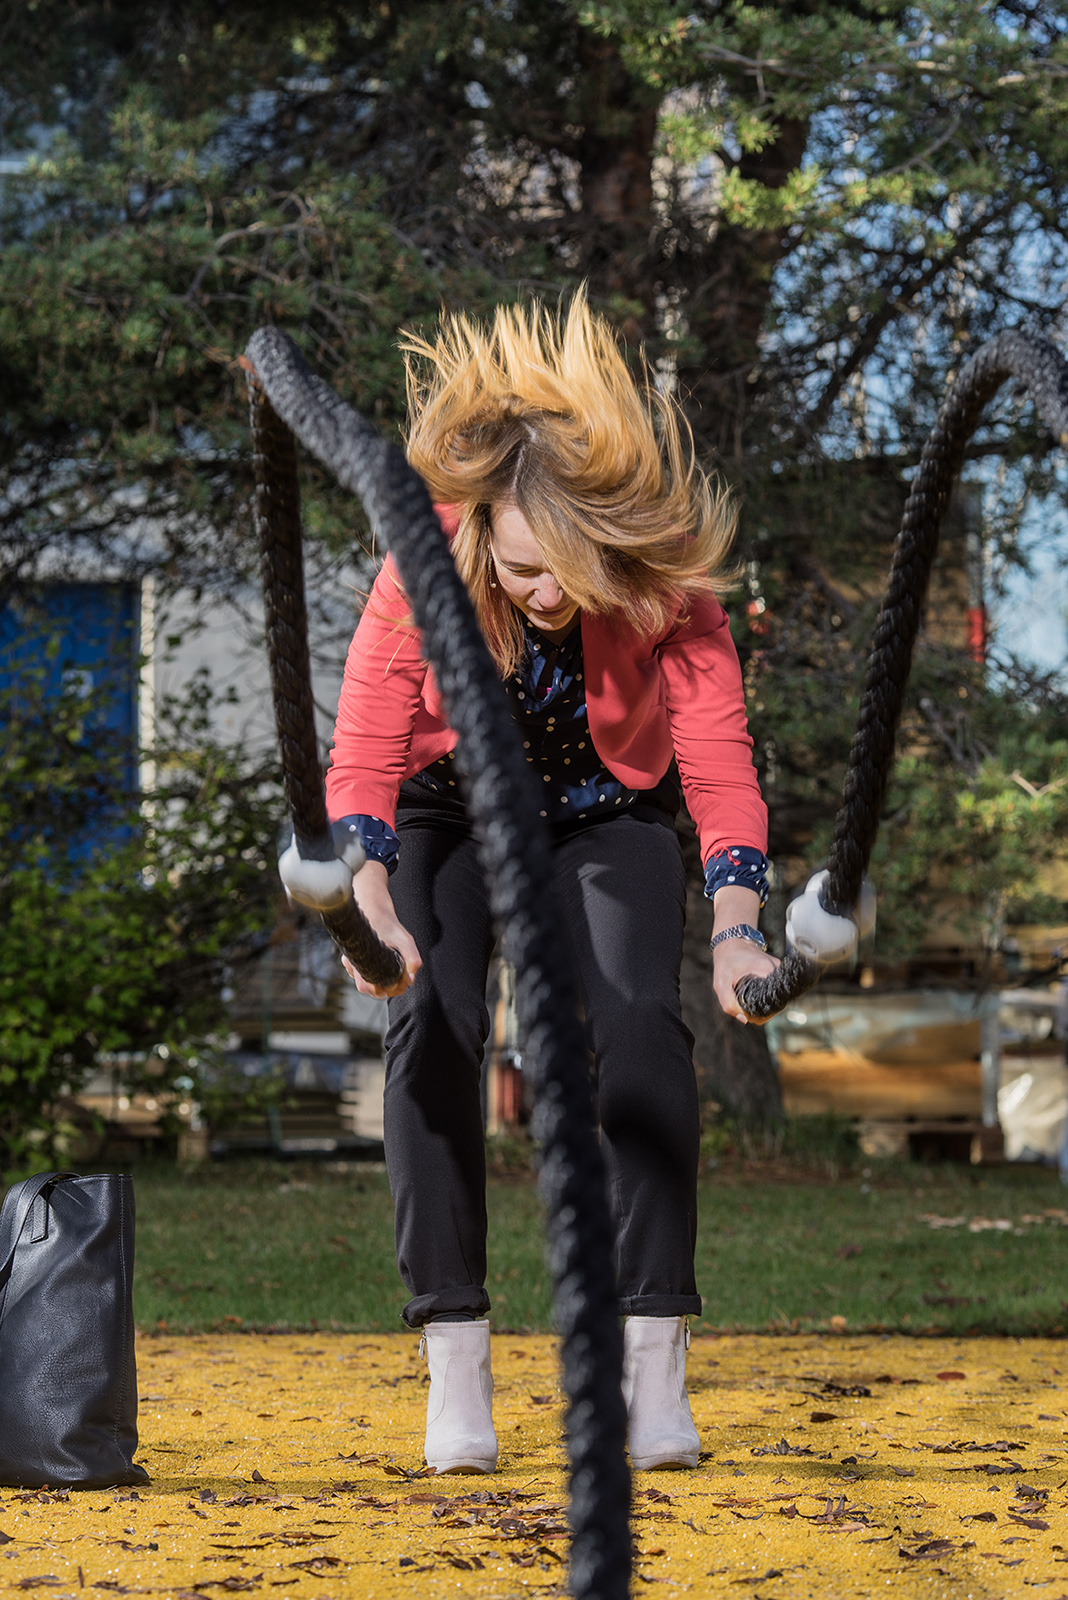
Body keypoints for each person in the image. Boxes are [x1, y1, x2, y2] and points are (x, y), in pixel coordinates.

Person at [325, 292, 778, 1473]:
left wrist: (739, 921)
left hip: (605, 814)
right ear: (483, 528)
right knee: (431, 1017)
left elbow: (719, 763)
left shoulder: (664, 582)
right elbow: (368, 736)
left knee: (637, 1025)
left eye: (569, 571)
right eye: (525, 568)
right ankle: (456, 1358)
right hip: (449, 809)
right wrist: (367, 887)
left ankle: (651, 1362)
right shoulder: (427, 553)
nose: (546, 593)